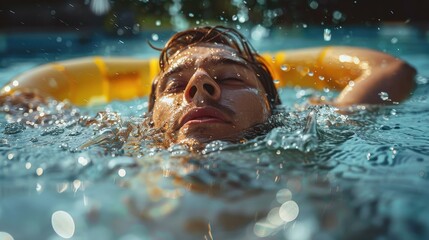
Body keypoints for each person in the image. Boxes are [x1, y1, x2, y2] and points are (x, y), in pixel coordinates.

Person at [0, 26, 416, 150]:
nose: (200, 85)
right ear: (149, 120)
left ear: (274, 109)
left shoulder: (315, 125)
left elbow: (392, 70)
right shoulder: (118, 138)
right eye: (176, 85)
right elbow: (17, 103)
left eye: (230, 78)